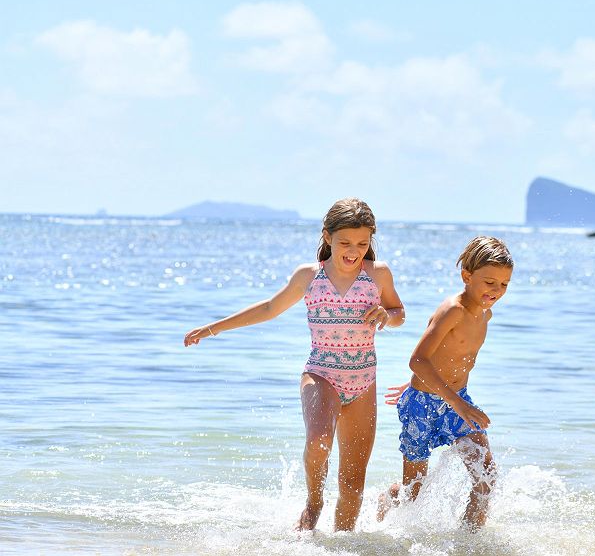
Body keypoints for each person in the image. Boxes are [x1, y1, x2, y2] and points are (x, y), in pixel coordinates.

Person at [183, 198, 405, 532]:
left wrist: (386, 316)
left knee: (352, 486)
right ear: (327, 237)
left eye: (362, 243)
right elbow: (270, 308)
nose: (353, 251)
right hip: (320, 373)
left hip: (363, 381)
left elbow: (399, 313)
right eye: (345, 243)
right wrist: (213, 328)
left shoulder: (378, 274)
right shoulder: (309, 276)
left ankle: (341, 545)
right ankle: (314, 501)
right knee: (318, 441)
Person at [378, 236, 513, 531]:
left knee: (485, 474)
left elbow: (447, 358)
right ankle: (389, 499)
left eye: (504, 284)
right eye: (490, 282)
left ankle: (468, 541)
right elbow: (417, 360)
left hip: (456, 400)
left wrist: (447, 394)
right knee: (413, 491)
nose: (496, 291)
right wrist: (424, 388)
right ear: (467, 276)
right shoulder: (453, 310)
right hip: (425, 406)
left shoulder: (485, 314)